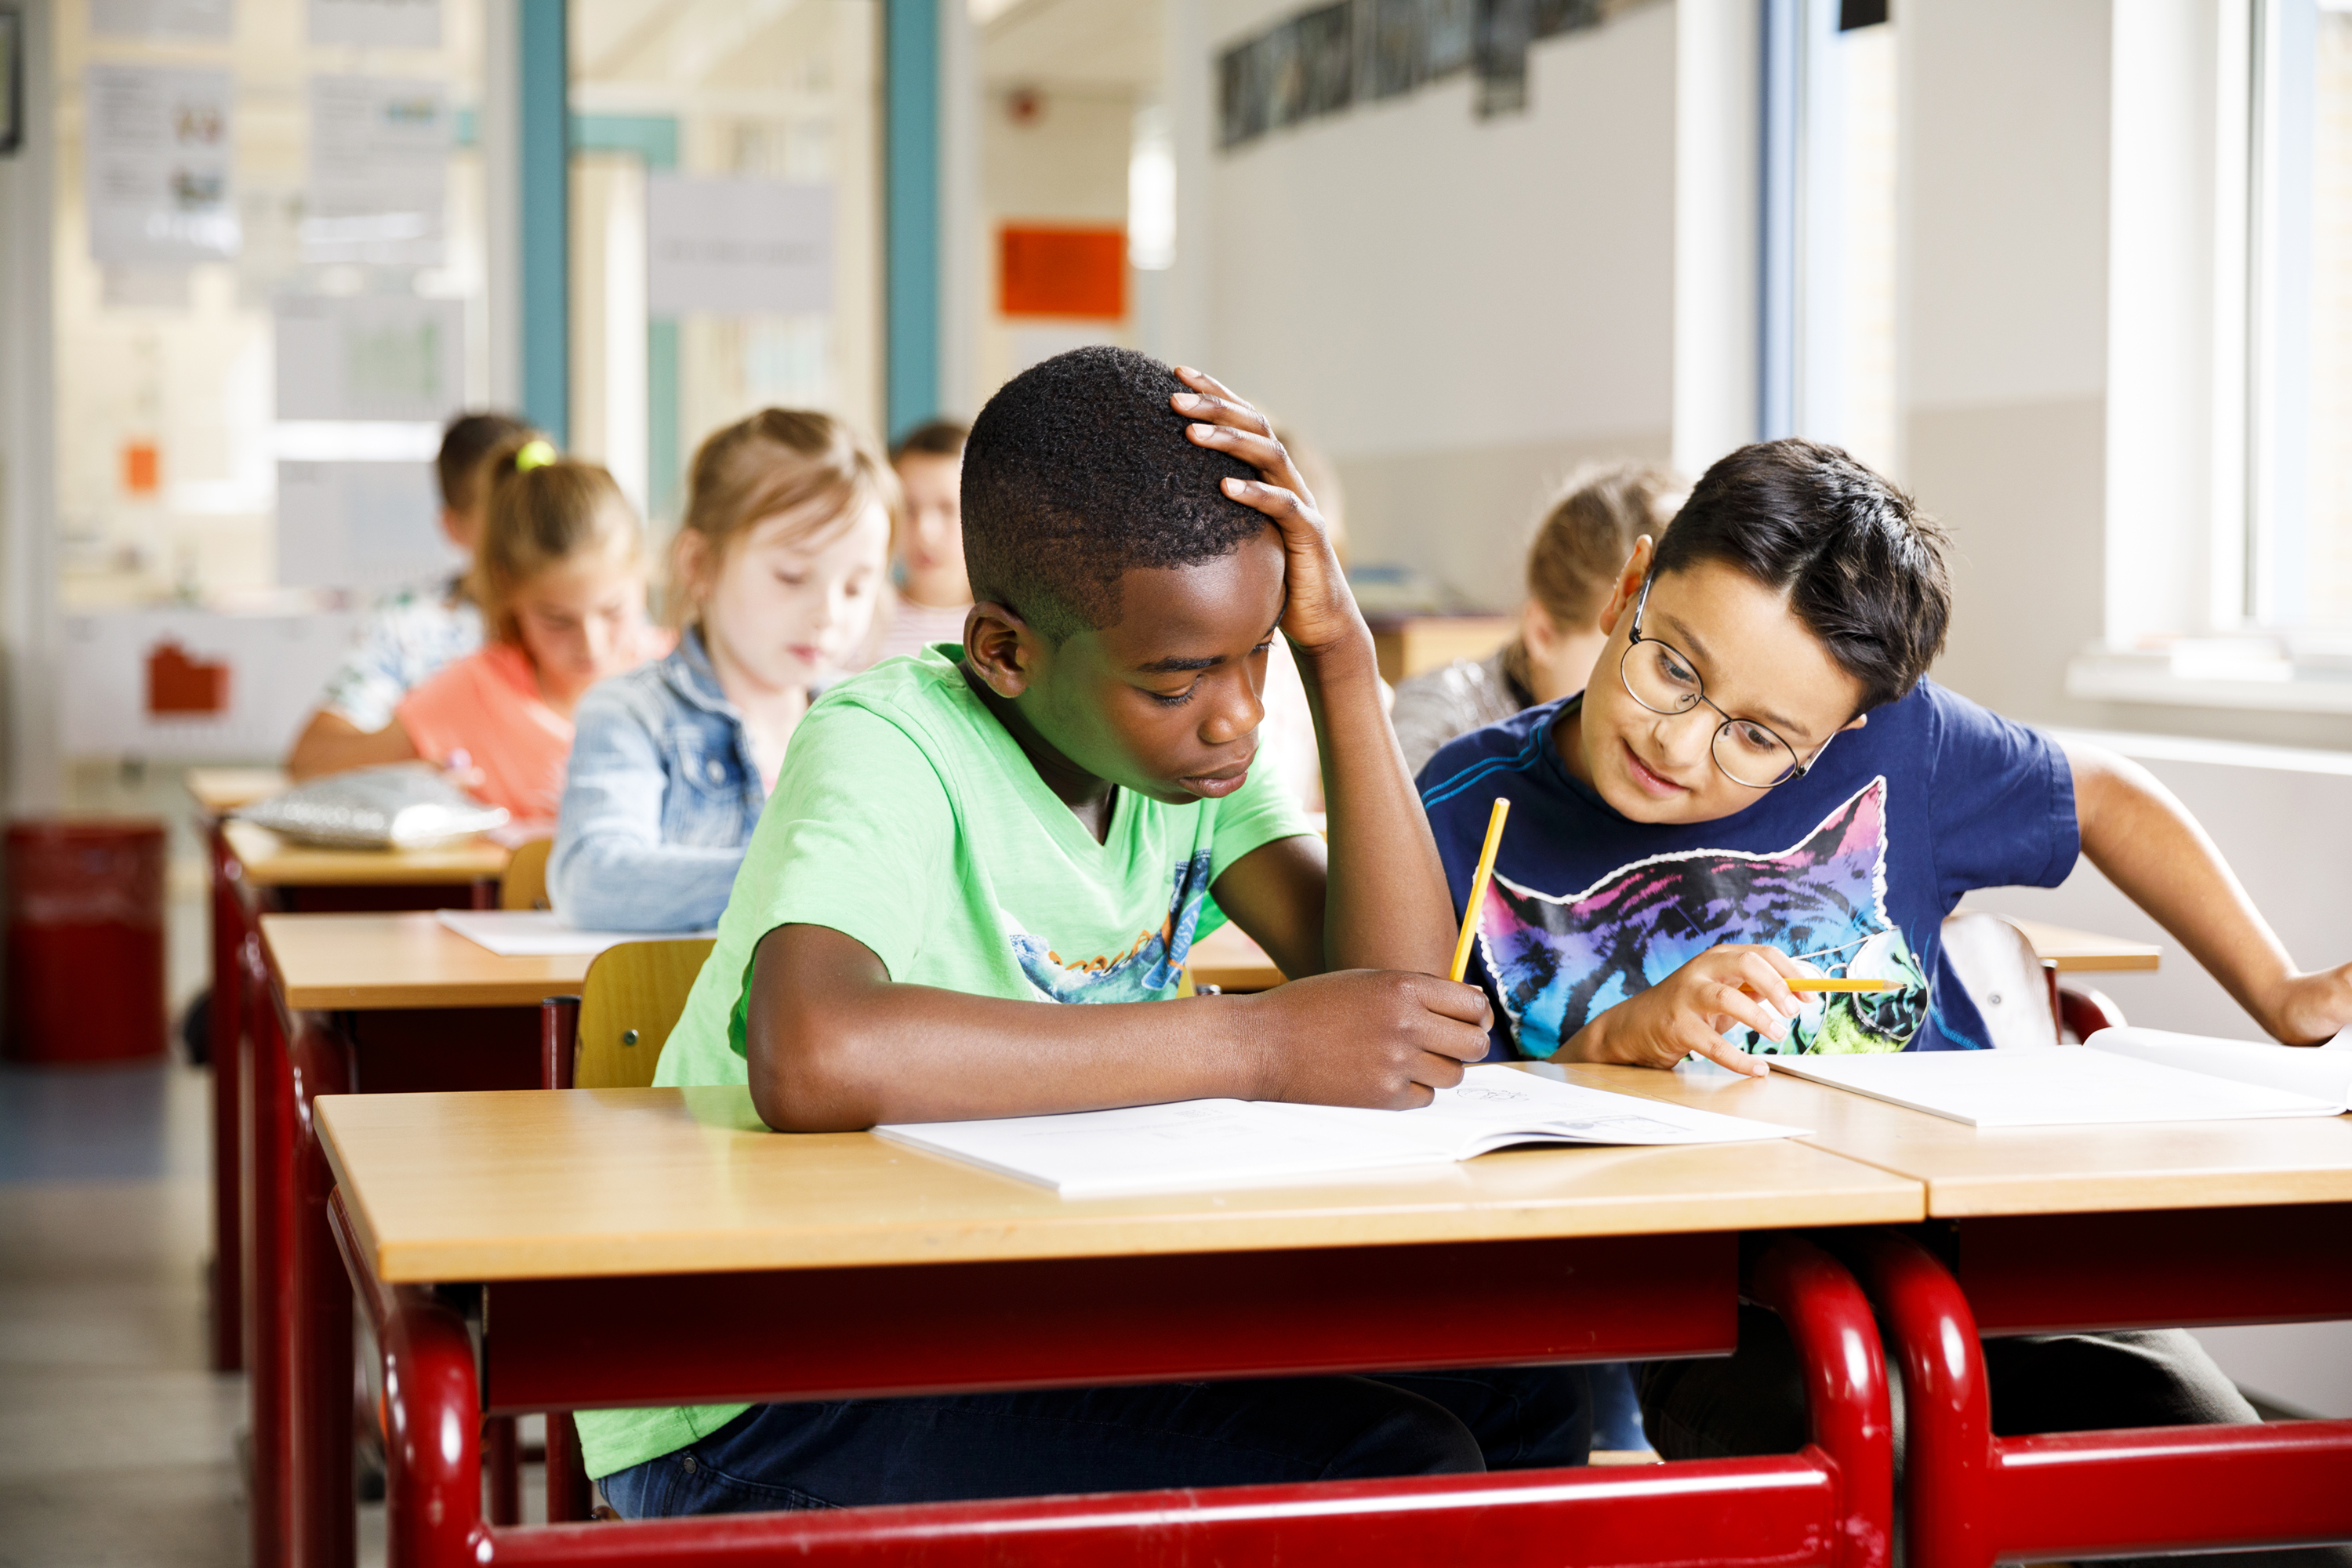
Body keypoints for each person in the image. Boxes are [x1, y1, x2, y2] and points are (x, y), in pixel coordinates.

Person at [577, 347, 1590, 1515]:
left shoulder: (1196, 762)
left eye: (1258, 656)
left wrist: (1342, 661)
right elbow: (814, 1054)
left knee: (1522, 1396)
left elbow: (1393, 1007)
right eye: (1179, 681)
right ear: (1007, 651)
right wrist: (1249, 1045)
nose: (1239, 712)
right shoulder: (889, 742)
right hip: (762, 1381)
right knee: (1383, 1465)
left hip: (1031, 1314)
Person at [1416, 438, 2352, 1563]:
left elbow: (2103, 793)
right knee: (1906, 1503)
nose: (1679, 740)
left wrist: (2284, 993)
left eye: (1758, 738)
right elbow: (1435, 1105)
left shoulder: (1902, 748)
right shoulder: (1467, 812)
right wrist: (1609, 1040)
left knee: (2243, 1513)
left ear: (1841, 732)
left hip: (1986, 1261)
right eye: (1672, 667)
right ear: (1632, 586)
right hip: (1726, 1305)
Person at [548, 411, 898, 932]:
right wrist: (801, 874)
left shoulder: (870, 722)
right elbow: (593, 881)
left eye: (855, 586)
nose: (828, 613)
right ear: (698, 564)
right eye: (792, 575)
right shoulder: (631, 713)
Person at [313, 438, 668, 824]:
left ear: (642, 578)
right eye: (557, 620)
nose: (591, 644)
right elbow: (314, 763)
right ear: (509, 593)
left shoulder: (687, 680)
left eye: (613, 611)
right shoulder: (472, 692)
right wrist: (403, 784)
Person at [1392, 462, 1685, 777]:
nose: (1672, 741)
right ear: (1543, 634)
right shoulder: (1437, 719)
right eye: (1622, 653)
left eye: (1674, 669)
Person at [288, 412, 532, 779]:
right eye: (505, 518)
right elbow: (311, 756)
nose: (531, 535)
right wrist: (425, 738)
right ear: (454, 526)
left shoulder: (597, 616)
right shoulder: (412, 624)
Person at [866, 418, 971, 665]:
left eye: (947, 509)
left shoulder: (1010, 629)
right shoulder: (862, 623)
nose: (926, 533)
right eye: (908, 507)